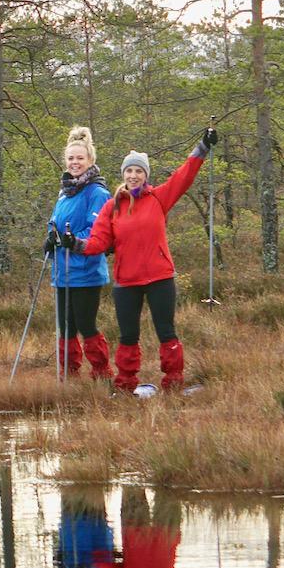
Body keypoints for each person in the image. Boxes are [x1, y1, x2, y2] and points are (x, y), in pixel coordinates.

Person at [60, 127, 219, 393]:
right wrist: (74, 244)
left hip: (160, 278)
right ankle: (125, 386)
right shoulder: (113, 206)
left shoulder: (158, 198)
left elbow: (184, 175)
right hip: (127, 281)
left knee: (166, 332)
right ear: (123, 174)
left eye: (139, 172)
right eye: (129, 171)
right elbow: (98, 241)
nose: (133, 176)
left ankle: (173, 383)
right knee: (128, 336)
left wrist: (203, 147)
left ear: (145, 176)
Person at [44, 127, 114, 380]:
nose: (75, 163)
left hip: (86, 271)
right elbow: (55, 222)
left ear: (90, 161)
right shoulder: (64, 192)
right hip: (62, 272)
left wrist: (71, 240)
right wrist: (50, 238)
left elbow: (96, 230)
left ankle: (101, 373)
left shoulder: (97, 192)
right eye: (71, 158)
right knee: (66, 327)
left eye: (80, 158)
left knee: (86, 325)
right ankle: (69, 375)